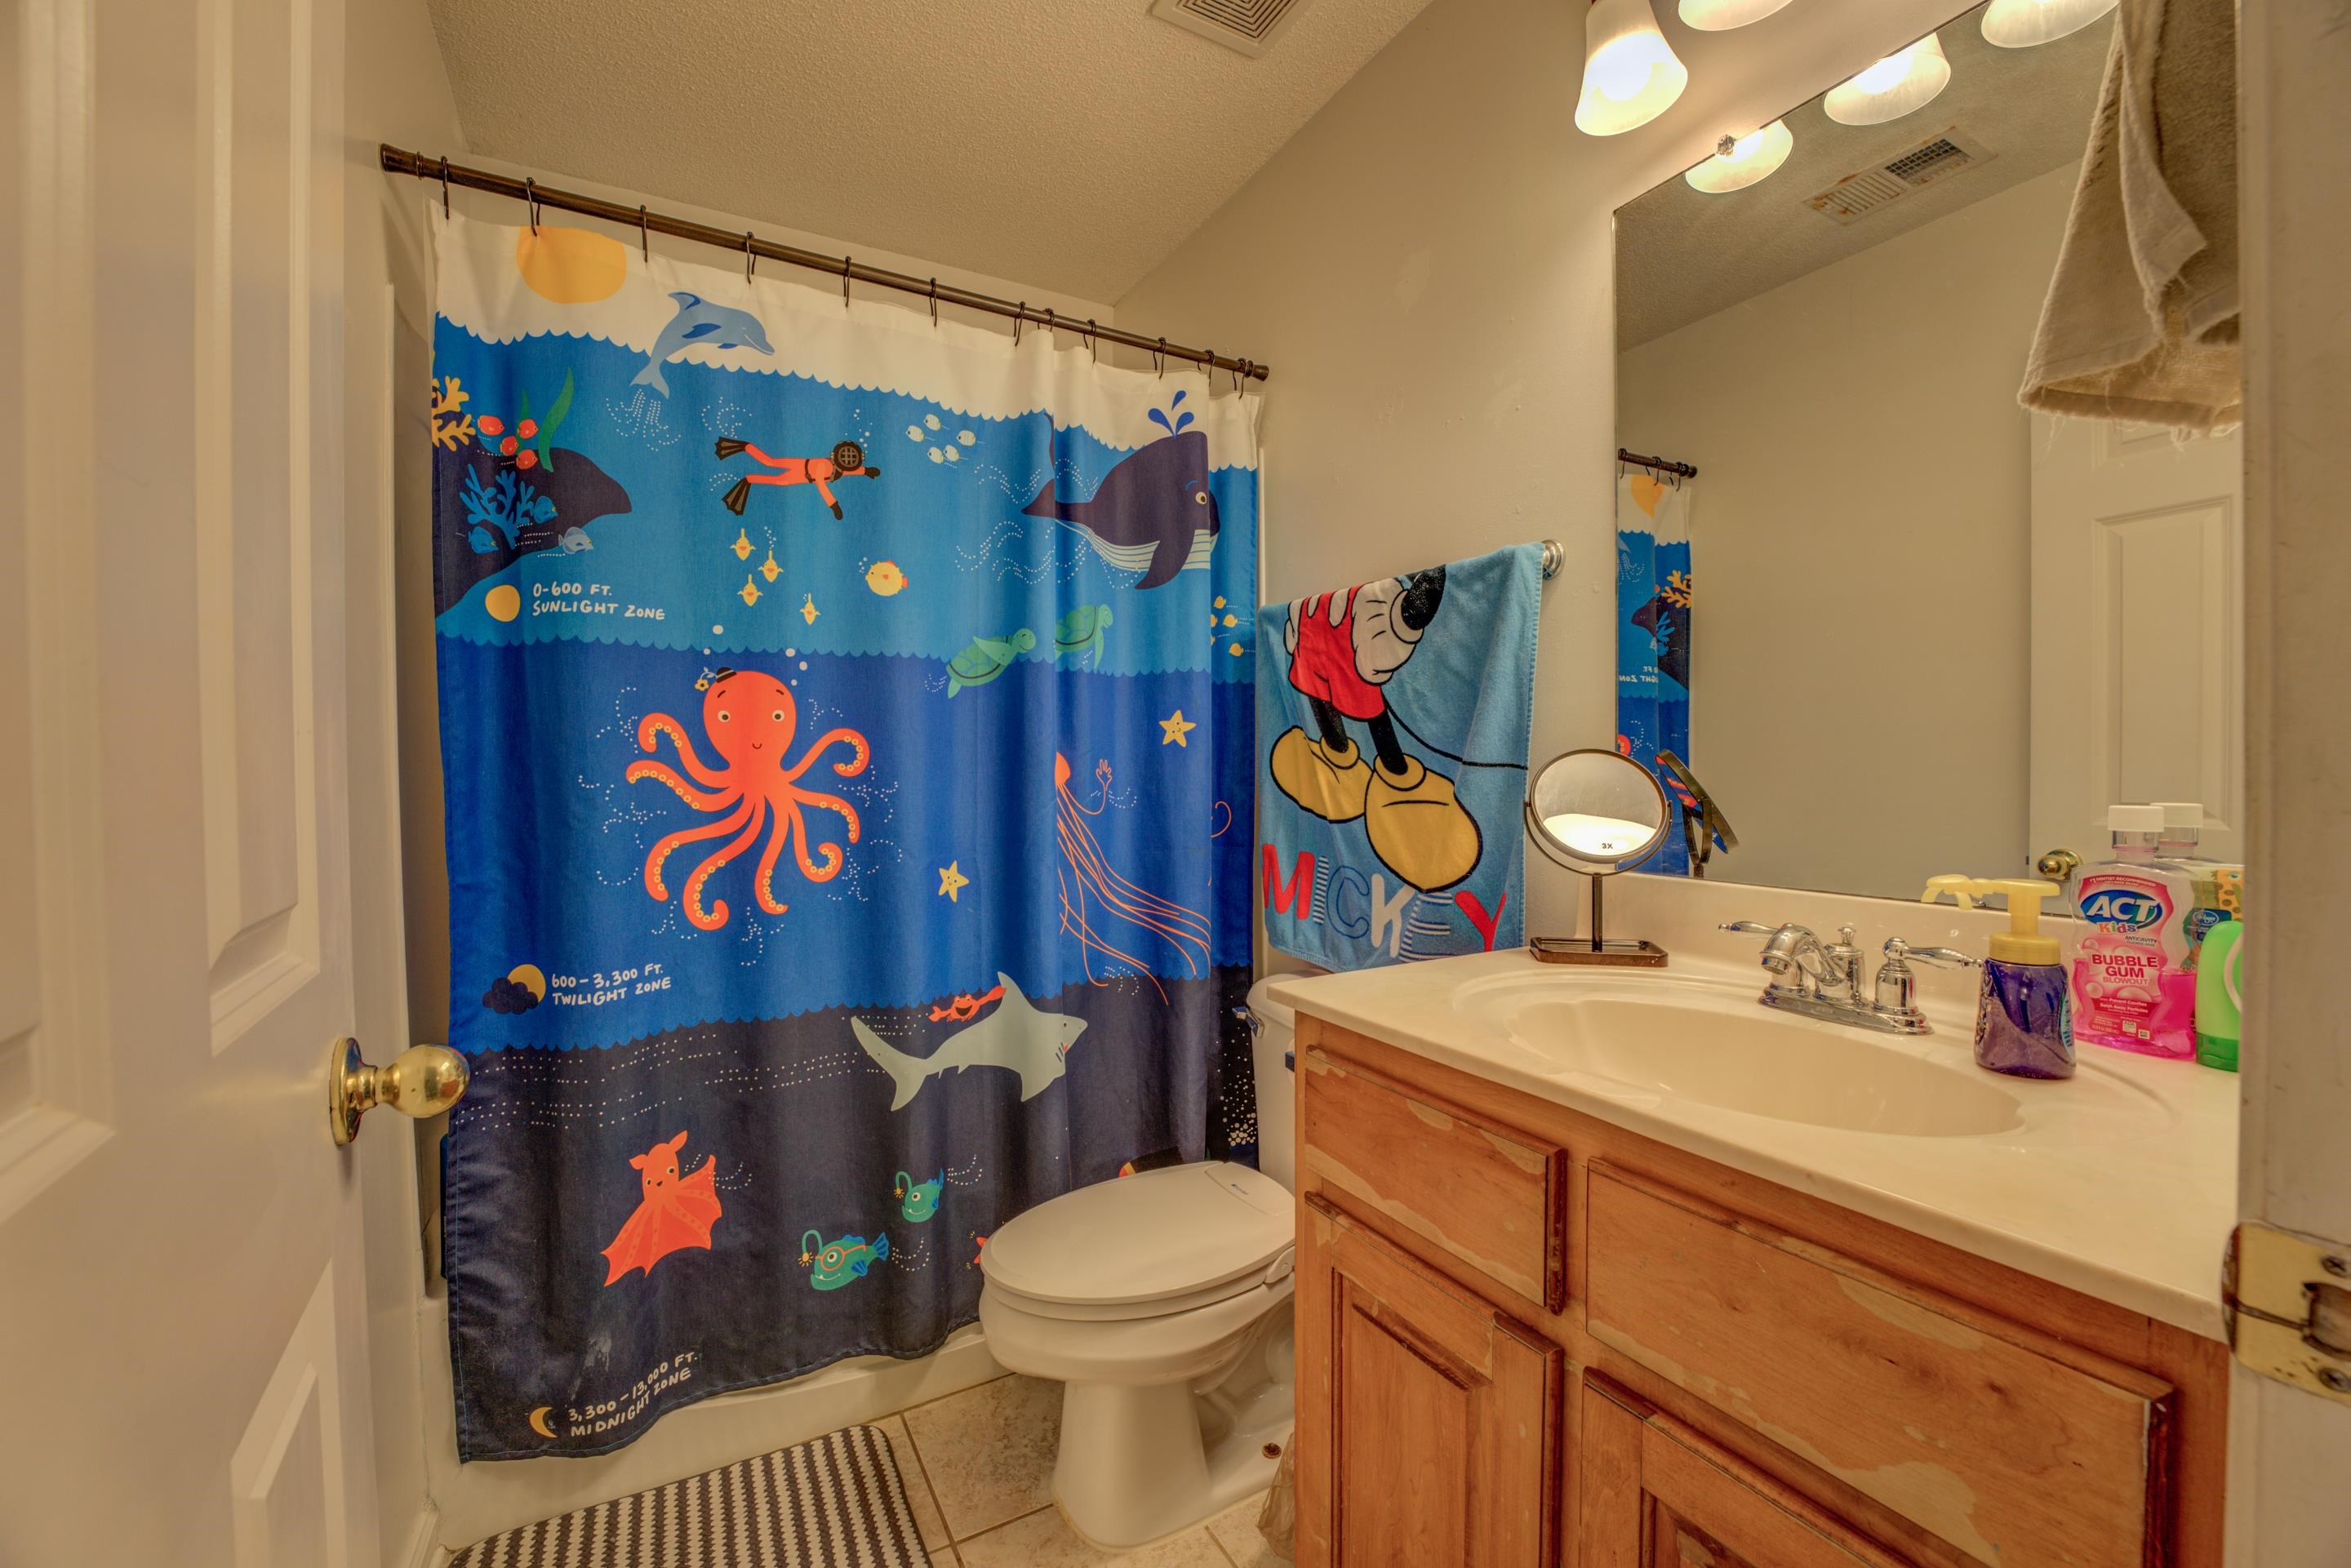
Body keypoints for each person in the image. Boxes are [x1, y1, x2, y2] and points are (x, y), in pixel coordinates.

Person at [1267, 566, 1482, 891]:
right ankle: (1339, 756)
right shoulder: (1350, 619)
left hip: (1343, 656)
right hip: (1315, 652)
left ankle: (1397, 776)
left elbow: (1384, 642)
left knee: (1371, 712)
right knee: (1320, 697)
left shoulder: (1370, 616)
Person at [715, 438, 880, 519]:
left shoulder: (839, 470)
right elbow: (821, 484)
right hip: (800, 467)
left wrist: (865, 471)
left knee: (778, 481)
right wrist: (834, 505)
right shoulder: (825, 465)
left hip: (801, 477)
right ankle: (744, 446)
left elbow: (848, 472)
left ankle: (748, 479)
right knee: (769, 462)